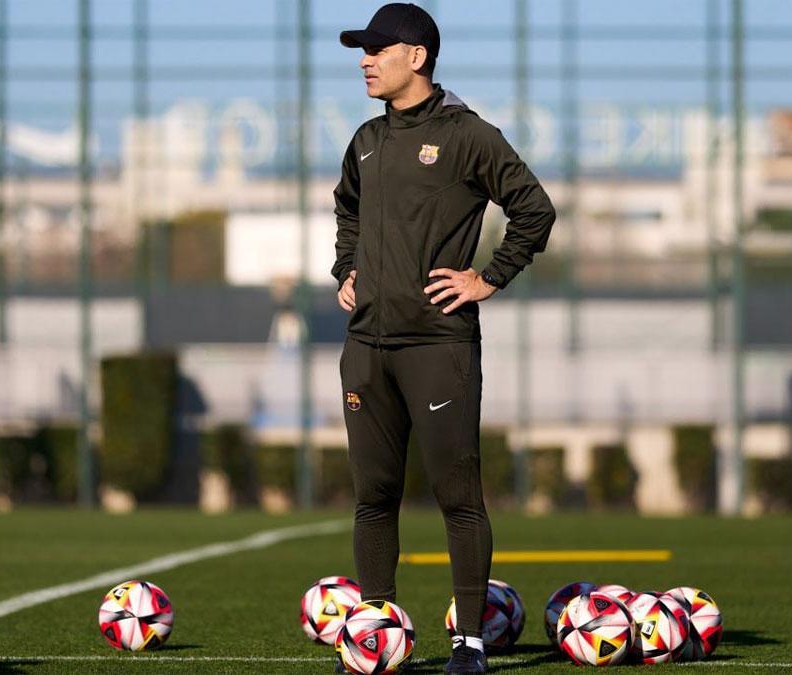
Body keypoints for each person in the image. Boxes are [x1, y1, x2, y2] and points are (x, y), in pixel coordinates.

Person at [333, 3, 557, 673]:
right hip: (365, 347)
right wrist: (345, 268)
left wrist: (487, 278)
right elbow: (347, 210)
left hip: (439, 346)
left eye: (377, 48)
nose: (365, 60)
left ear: (417, 56)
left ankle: (469, 643)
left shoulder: (467, 136)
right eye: (361, 49)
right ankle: (376, 631)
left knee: (458, 496)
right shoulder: (366, 140)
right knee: (373, 497)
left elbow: (534, 209)